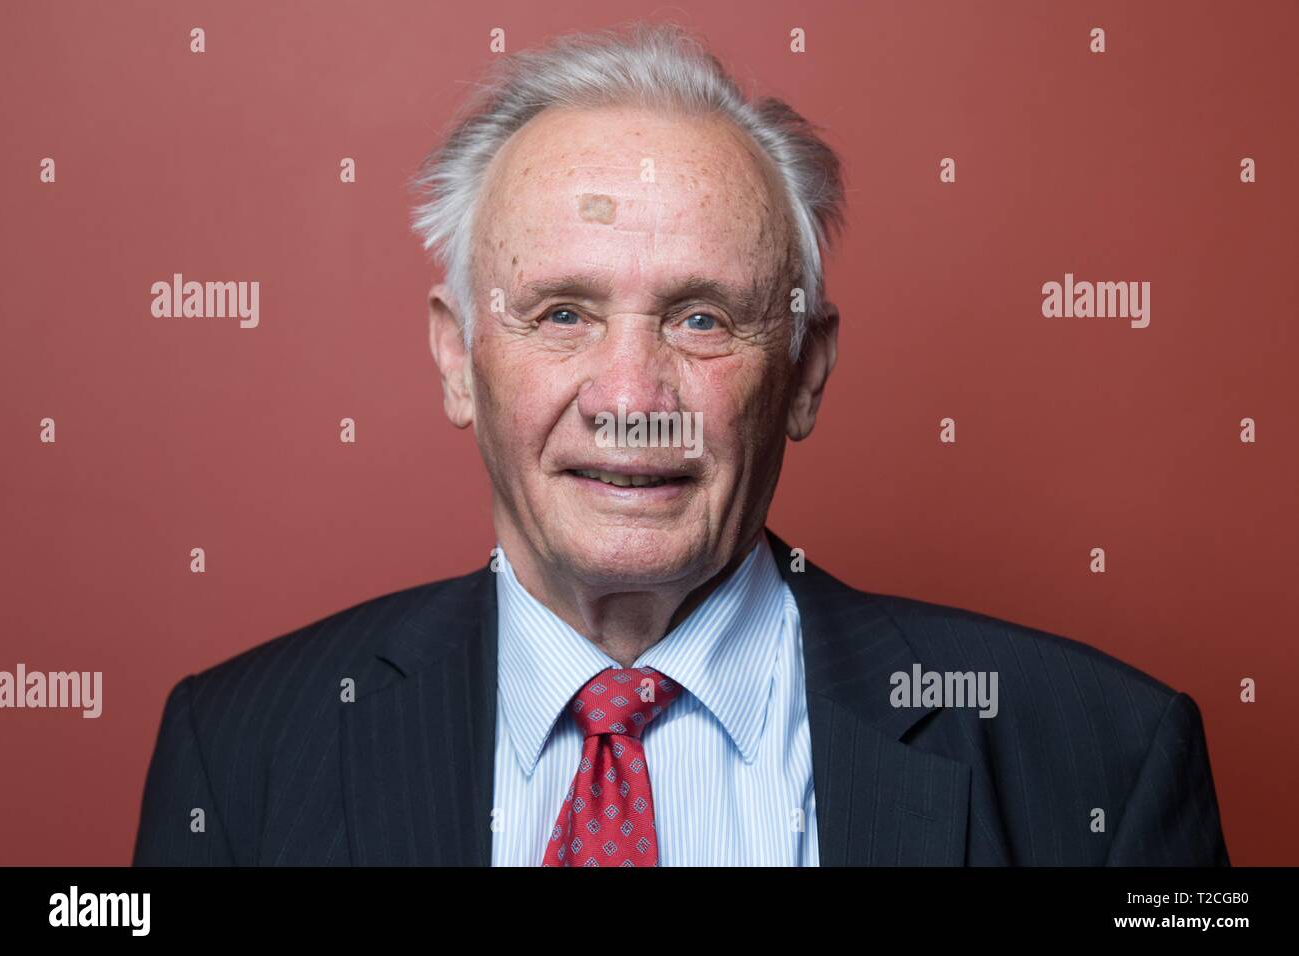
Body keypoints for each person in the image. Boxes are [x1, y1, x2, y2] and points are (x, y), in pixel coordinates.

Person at [133, 22, 1229, 867]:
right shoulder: (237, 753)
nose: (627, 397)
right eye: (560, 312)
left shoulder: (1105, 757)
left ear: (803, 372)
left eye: (702, 317)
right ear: (457, 359)